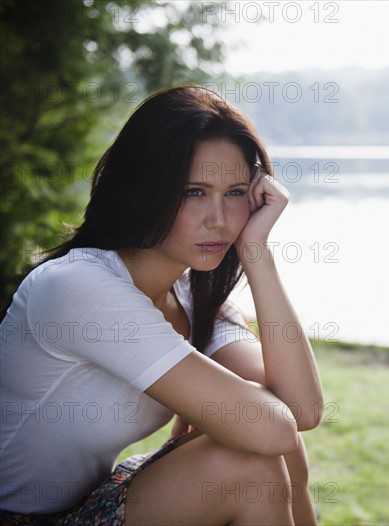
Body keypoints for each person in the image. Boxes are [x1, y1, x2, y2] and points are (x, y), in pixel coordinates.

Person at [0, 85, 324, 525]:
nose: (220, 220)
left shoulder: (193, 293)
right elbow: (273, 427)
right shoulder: (79, 287)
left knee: (273, 452)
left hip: (82, 503)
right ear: (144, 190)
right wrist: (225, 416)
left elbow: (301, 411)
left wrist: (256, 252)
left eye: (234, 193)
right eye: (193, 192)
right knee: (253, 462)